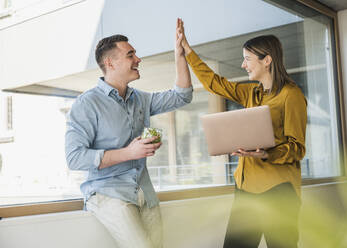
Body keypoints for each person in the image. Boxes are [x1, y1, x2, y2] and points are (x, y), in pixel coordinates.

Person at [178, 19, 307, 248]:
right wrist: (187, 50)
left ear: (267, 60)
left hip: (278, 192)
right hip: (245, 189)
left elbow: (297, 148)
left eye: (247, 59)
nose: (243, 65)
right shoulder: (250, 93)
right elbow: (214, 83)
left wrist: (266, 154)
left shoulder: (291, 95)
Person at [65, 19, 192, 248]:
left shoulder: (141, 99)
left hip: (145, 194)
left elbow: (182, 95)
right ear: (110, 63)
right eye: (130, 55)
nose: (138, 59)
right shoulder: (87, 104)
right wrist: (130, 152)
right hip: (109, 194)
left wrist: (180, 54)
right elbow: (75, 158)